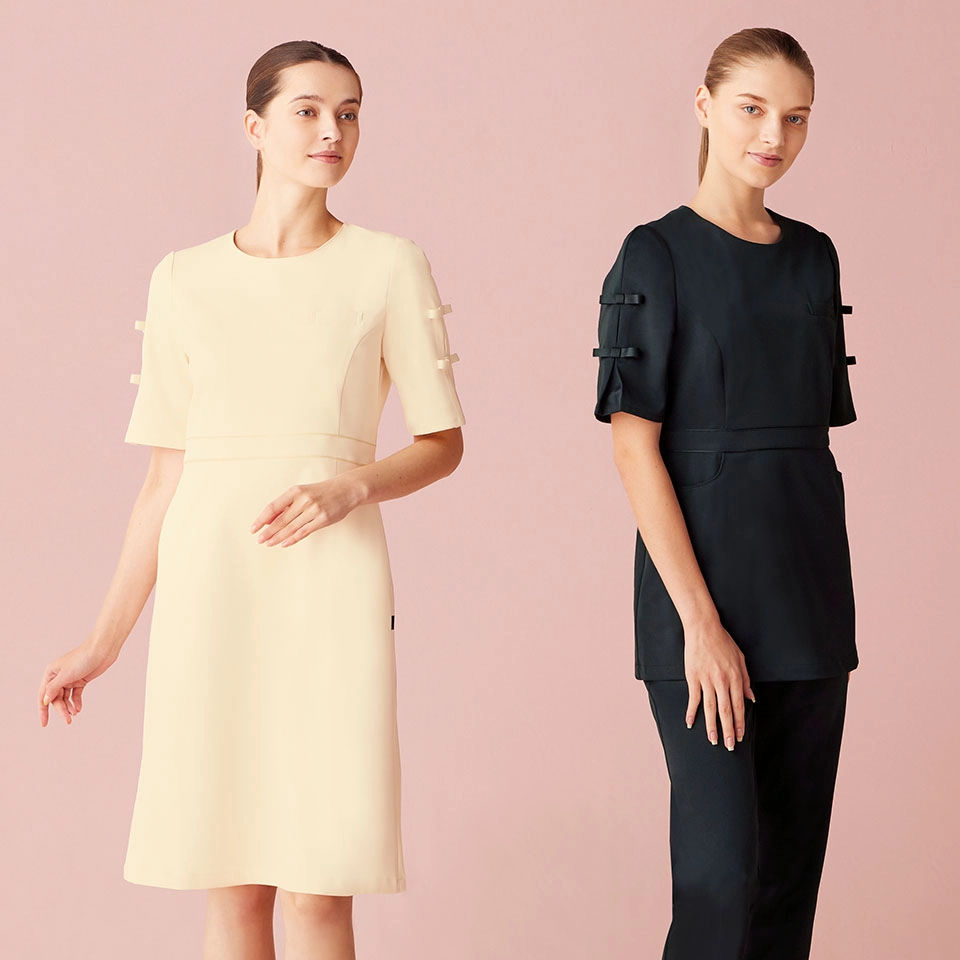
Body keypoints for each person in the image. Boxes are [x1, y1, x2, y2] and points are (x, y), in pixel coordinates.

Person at [36, 39, 465, 960]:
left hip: (331, 589)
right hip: (212, 592)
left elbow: (443, 444)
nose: (332, 130)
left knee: (318, 891)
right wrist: (103, 643)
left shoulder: (388, 264)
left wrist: (352, 485)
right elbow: (165, 480)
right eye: (307, 110)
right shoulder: (182, 278)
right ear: (254, 126)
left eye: (349, 113)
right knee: (231, 888)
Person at [592, 27, 859, 960]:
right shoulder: (654, 254)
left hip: (809, 598)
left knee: (787, 886)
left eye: (796, 117)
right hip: (699, 604)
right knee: (720, 879)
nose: (773, 136)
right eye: (752, 109)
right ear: (704, 107)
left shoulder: (816, 257)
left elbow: (809, 441)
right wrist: (700, 625)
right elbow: (634, 448)